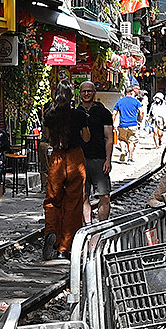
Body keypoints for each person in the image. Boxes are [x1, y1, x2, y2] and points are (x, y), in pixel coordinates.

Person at [42, 87, 90, 259]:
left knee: (52, 199)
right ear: (71, 96)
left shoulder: (50, 114)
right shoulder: (79, 115)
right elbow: (86, 138)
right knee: (73, 203)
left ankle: (51, 233)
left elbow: (48, 137)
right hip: (75, 158)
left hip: (57, 157)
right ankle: (65, 247)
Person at [79, 79, 116, 222]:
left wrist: (108, 159)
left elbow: (109, 138)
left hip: (99, 158)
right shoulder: (76, 113)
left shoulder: (103, 112)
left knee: (104, 195)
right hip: (80, 160)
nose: (86, 94)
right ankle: (88, 225)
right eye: (84, 91)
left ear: (94, 92)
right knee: (83, 196)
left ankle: (101, 226)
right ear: (80, 93)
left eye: (89, 91)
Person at [113, 85, 142, 163]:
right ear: (131, 92)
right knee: (131, 141)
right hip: (133, 124)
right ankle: (130, 158)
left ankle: (123, 151)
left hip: (122, 124)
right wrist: (140, 120)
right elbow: (141, 111)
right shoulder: (136, 101)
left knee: (122, 139)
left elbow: (114, 113)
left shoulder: (120, 101)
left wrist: (113, 123)